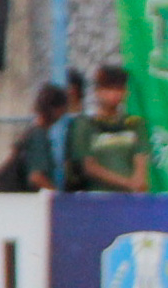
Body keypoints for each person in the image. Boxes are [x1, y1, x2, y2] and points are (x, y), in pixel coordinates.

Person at [64, 65, 151, 193]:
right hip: (97, 199)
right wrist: (127, 183)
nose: (115, 94)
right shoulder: (84, 124)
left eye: (119, 89)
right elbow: (89, 166)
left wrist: (138, 183)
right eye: (109, 89)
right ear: (98, 91)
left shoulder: (135, 124)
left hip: (131, 200)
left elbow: (141, 161)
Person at [0, 83, 70, 192]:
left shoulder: (30, 133)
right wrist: (57, 197)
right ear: (56, 109)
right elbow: (36, 177)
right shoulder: (39, 136)